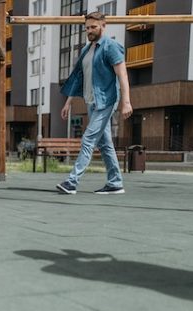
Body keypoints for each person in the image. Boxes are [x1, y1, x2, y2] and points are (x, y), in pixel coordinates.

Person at [57, 11, 133, 195]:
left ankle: (72, 182)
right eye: (87, 28)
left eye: (93, 27)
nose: (89, 31)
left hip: (106, 101)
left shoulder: (111, 47)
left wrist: (126, 102)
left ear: (103, 26)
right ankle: (115, 183)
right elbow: (78, 78)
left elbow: (122, 75)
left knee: (88, 139)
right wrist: (68, 102)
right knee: (105, 144)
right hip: (91, 102)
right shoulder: (86, 50)